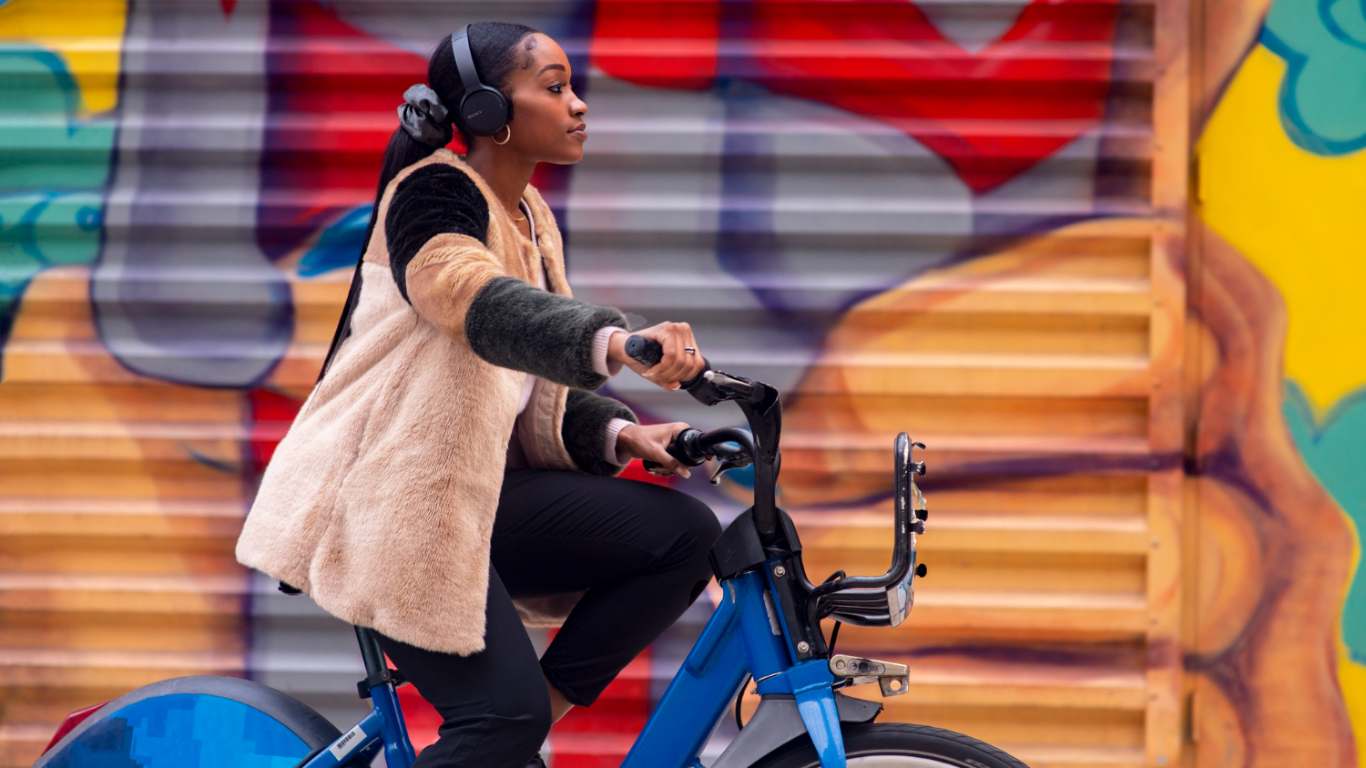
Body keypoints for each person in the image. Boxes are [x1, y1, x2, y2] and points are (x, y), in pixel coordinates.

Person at [234, 21, 723, 767]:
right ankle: (505, 735)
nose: (580, 105)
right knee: (497, 720)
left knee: (685, 536)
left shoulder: (531, 218)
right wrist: (618, 343)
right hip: (387, 507)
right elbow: (472, 299)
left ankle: (522, 732)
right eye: (556, 88)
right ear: (491, 111)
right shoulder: (432, 196)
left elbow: (519, 384)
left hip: (464, 499)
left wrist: (623, 436)